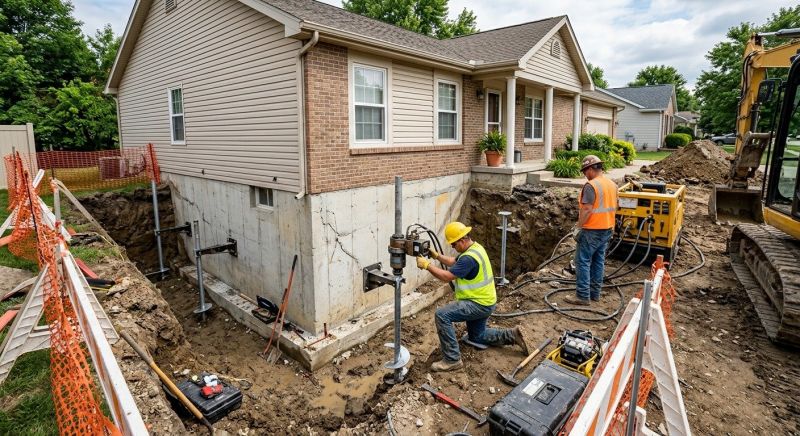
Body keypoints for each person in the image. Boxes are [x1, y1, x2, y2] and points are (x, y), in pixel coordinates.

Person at [416, 221, 527, 372]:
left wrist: (427, 265)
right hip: (485, 301)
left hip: (477, 304)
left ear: (462, 240)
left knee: (442, 315)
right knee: (477, 336)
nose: (453, 248)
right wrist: (436, 256)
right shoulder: (475, 248)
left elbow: (447, 276)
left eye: (454, 245)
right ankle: (512, 335)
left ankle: (452, 359)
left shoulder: (468, 258)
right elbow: (455, 262)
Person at [565, 155, 618, 306]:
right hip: (607, 228)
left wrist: (578, 228)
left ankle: (582, 296)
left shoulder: (591, 186)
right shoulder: (612, 184)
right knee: (598, 261)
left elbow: (587, 209)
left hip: (591, 230)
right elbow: (616, 206)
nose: (584, 175)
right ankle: (595, 293)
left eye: (584, 171)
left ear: (590, 169)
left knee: (582, 261)